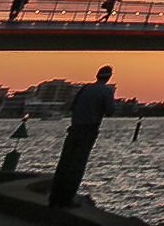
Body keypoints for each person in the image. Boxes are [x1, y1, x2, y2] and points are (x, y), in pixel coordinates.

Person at [49, 66, 116, 208]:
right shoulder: (106, 91)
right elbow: (110, 111)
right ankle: (67, 199)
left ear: (97, 75)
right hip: (88, 130)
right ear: (109, 77)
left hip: (74, 128)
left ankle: (54, 197)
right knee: (77, 165)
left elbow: (72, 107)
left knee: (65, 162)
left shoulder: (85, 88)